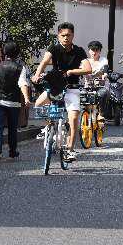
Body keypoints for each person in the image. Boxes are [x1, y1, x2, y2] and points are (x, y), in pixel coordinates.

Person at [32, 22, 92, 163]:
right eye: (63, 35)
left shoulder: (79, 51)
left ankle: (70, 150)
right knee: (38, 104)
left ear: (73, 35)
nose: (66, 38)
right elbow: (44, 61)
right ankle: (48, 126)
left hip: (72, 88)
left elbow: (88, 69)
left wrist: (71, 71)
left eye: (68, 35)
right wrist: (37, 75)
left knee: (74, 119)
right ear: (58, 36)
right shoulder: (54, 48)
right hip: (56, 87)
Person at [0, 42, 30, 164]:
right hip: (14, 102)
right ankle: (12, 151)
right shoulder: (20, 67)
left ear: (5, 52)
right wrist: (26, 98)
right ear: (17, 54)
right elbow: (22, 83)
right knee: (12, 128)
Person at [85, 41, 108, 124]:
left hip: (100, 85)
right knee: (82, 97)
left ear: (100, 51)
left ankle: (101, 114)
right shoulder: (85, 61)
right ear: (89, 51)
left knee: (103, 93)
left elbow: (105, 69)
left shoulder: (103, 60)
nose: (94, 52)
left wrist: (104, 75)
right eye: (92, 50)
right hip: (88, 86)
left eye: (96, 50)